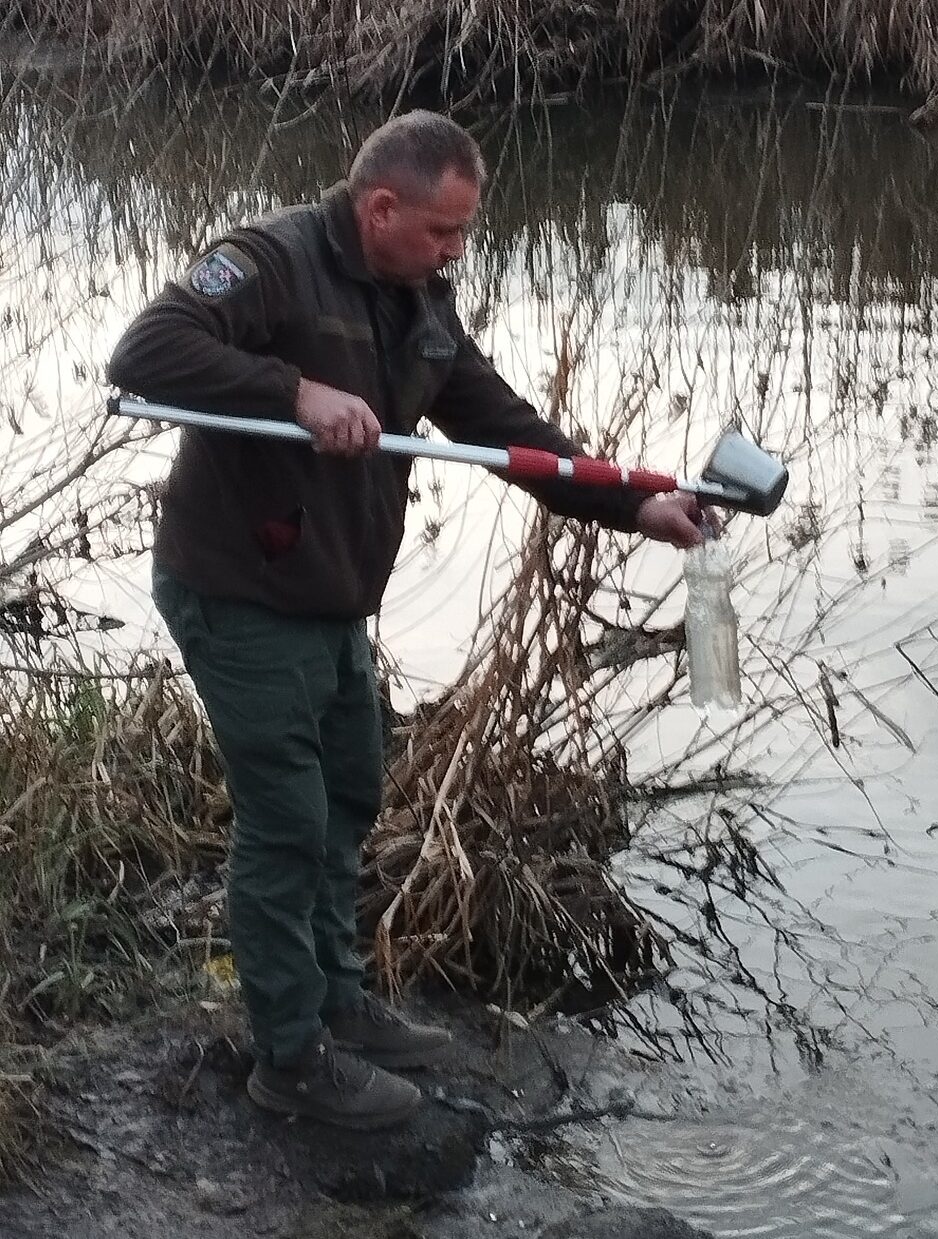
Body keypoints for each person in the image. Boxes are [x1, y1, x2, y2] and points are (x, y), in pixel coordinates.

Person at [108, 110, 708, 1131]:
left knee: (347, 798)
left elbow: (500, 426)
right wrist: (293, 390)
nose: (456, 252)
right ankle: (289, 1061)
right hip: (240, 589)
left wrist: (635, 503)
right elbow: (144, 353)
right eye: (444, 232)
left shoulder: (418, 300)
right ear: (380, 206)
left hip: (331, 598)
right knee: (287, 827)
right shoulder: (271, 262)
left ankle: (338, 1002)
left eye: (463, 235)